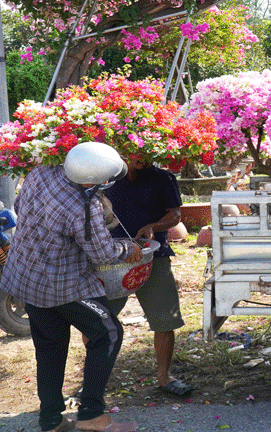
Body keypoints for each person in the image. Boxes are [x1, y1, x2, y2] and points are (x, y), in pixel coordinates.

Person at [0, 142, 141, 432]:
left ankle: (51, 420)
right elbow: (101, 253)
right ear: (91, 180)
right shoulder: (83, 206)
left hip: (27, 278)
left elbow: (18, 206)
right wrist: (128, 248)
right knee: (109, 334)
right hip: (64, 285)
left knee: (50, 348)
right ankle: (91, 416)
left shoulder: (41, 172)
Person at [103, 155, 194, 397]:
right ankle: (95, 381)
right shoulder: (104, 179)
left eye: (146, 154)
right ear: (121, 152)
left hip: (154, 256)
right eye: (135, 154)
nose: (142, 159)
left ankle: (164, 377)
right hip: (110, 259)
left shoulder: (162, 178)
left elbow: (175, 215)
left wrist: (154, 226)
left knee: (165, 320)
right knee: (99, 320)